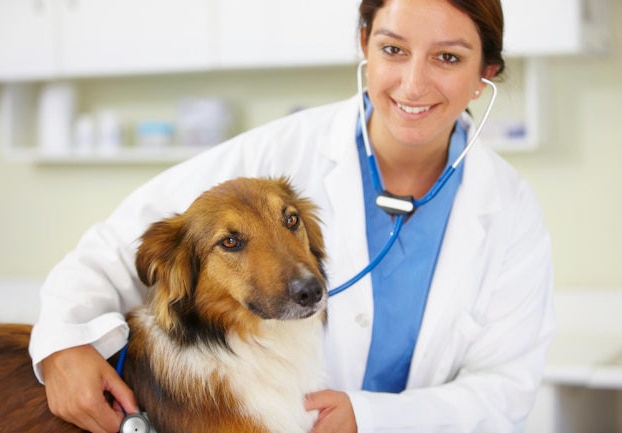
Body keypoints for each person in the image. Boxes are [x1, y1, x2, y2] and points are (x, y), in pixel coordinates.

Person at [29, 0, 555, 431]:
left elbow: (506, 388)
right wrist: (60, 345)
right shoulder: (272, 155)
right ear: (365, 46)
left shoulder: (510, 209)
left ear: (485, 73)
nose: (413, 84)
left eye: (448, 58)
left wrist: (371, 418)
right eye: (393, 49)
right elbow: (111, 251)